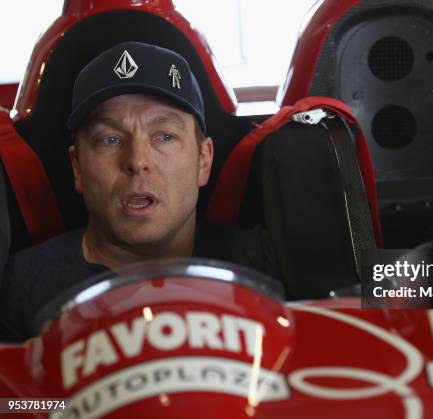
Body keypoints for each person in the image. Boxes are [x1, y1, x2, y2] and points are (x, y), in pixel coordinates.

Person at [0, 42, 278, 342]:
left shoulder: (267, 265)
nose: (137, 161)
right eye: (109, 139)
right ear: (77, 167)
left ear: (203, 160)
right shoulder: (17, 287)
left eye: (165, 136)